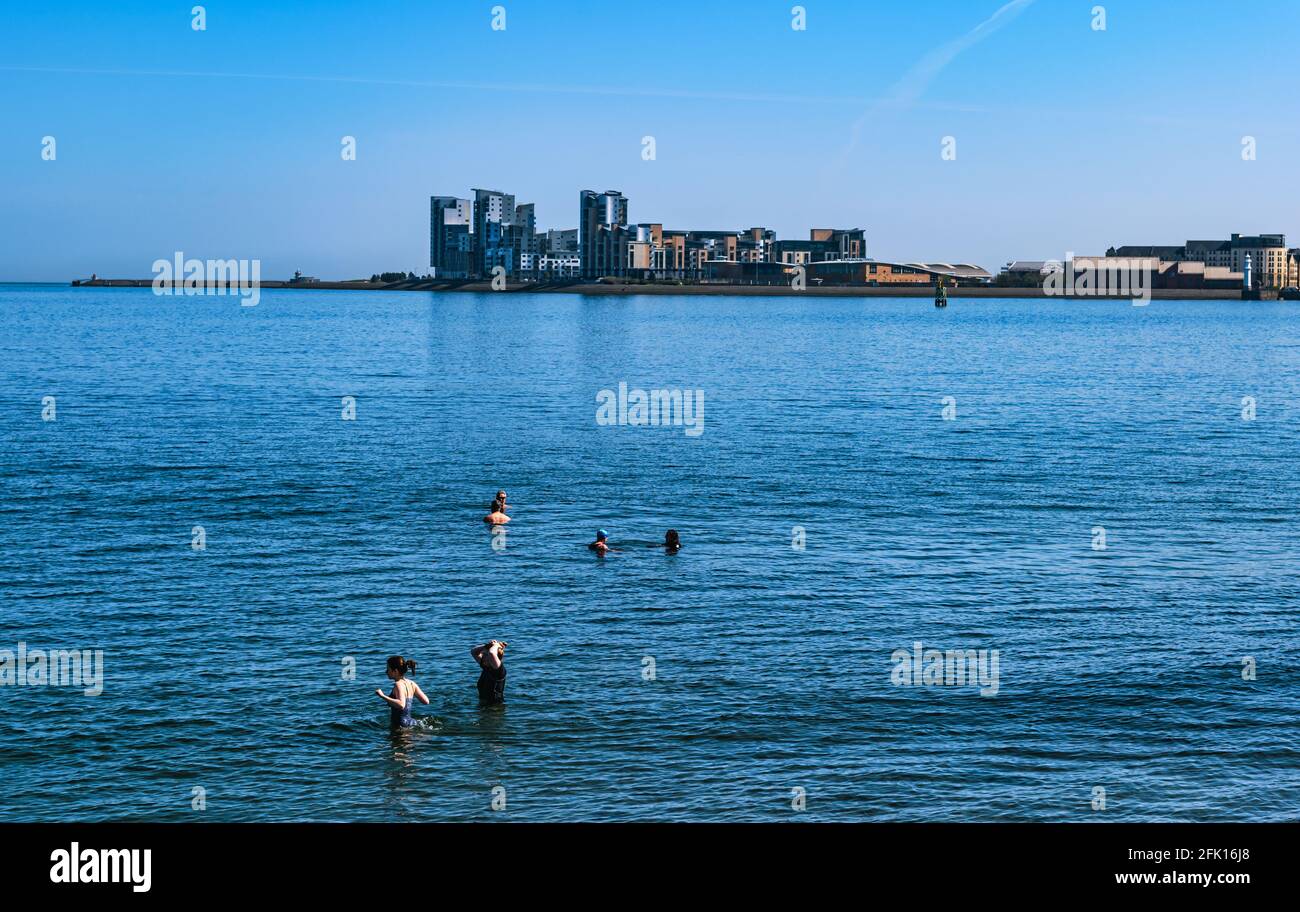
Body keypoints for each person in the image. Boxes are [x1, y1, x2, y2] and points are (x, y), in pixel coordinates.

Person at [376, 656, 429, 728]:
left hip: (400, 725)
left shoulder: (398, 684)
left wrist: (382, 695)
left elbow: (401, 705)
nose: (386, 672)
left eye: (388, 669)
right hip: (411, 722)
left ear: (395, 671)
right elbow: (426, 701)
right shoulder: (412, 683)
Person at [471, 640, 507, 705]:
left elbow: (492, 653)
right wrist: (486, 646)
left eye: (485, 655)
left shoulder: (498, 670)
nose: (482, 656)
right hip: (482, 706)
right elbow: (473, 652)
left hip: (495, 708)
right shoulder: (486, 666)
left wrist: (496, 645)